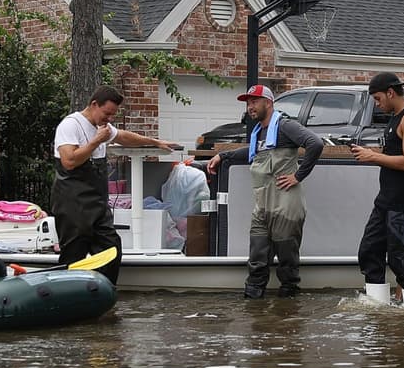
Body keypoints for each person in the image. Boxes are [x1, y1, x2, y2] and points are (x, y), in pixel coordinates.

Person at [50, 85, 181, 285]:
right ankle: (66, 295)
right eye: (107, 113)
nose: (109, 119)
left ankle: (103, 291)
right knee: (73, 254)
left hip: (97, 205)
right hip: (72, 204)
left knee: (111, 249)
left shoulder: (102, 128)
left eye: (112, 115)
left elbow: (124, 136)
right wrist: (96, 141)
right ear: (94, 105)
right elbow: (69, 161)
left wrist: (155, 142)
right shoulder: (70, 125)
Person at [205, 85, 323, 298]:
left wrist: (298, 176)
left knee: (287, 266)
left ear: (268, 103)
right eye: (248, 102)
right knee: (257, 258)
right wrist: (223, 155)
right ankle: (254, 308)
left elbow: (315, 143)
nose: (250, 106)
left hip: (285, 206)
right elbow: (252, 153)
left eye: (254, 101)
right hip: (262, 206)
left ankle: (288, 313)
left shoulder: (285, 126)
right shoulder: (259, 132)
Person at [351, 73, 404, 307]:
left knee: (401, 260)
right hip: (385, 201)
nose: (377, 103)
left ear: (390, 93)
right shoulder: (393, 119)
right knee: (369, 251)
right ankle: (377, 308)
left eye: (377, 98)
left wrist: (373, 156)